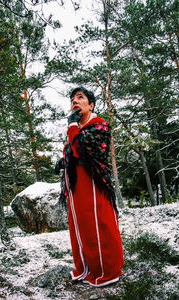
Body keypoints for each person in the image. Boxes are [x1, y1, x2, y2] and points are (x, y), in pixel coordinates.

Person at [55, 86, 124, 287]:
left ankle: (107, 270)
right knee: (81, 227)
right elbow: (72, 151)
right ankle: (88, 268)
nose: (74, 101)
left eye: (80, 97)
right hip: (77, 187)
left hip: (94, 185)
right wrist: (63, 161)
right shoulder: (76, 128)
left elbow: (81, 150)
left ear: (91, 105)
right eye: (72, 99)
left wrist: (72, 127)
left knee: (99, 224)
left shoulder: (99, 125)